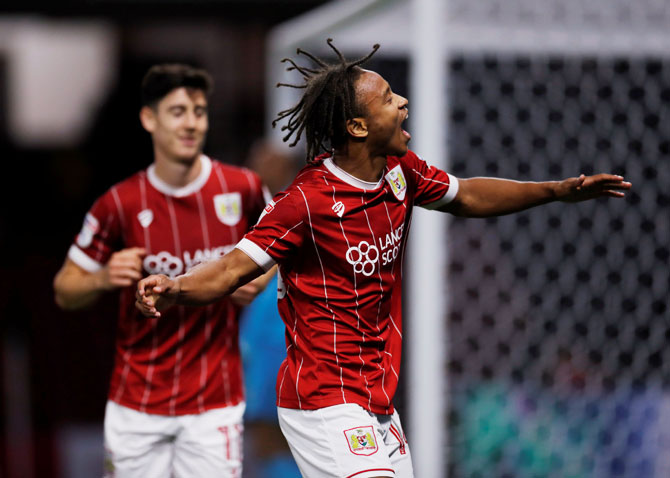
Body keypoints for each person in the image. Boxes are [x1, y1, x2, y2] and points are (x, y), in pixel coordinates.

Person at [135, 40, 631, 478]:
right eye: (390, 99)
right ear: (356, 125)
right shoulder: (304, 202)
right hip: (323, 398)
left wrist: (556, 190)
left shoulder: (400, 172)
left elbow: (469, 196)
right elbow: (229, 270)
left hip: (377, 399)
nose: (404, 104)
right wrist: (173, 287)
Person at [53, 63, 272, 478]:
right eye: (177, 112)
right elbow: (65, 289)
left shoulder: (242, 188)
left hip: (216, 403)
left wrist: (257, 280)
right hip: (137, 405)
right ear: (149, 118)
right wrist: (102, 278)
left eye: (199, 111)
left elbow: (281, 248)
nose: (191, 123)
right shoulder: (119, 203)